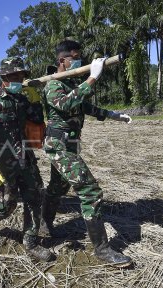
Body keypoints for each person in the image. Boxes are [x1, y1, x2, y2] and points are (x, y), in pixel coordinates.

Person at [42, 40, 132, 267]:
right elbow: (65, 104)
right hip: (58, 145)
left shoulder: (71, 82)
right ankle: (102, 250)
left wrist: (113, 115)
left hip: (70, 144)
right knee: (90, 191)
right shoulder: (53, 85)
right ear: (62, 61)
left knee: (58, 187)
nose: (79, 61)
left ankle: (43, 223)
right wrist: (92, 78)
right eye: (75, 57)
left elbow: (84, 106)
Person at [0, 57, 54, 262]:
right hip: (3, 164)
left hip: (25, 158)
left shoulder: (22, 98)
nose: (19, 79)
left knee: (35, 198)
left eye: (21, 76)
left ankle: (30, 242)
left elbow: (37, 119)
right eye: (14, 76)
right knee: (5, 208)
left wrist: (35, 98)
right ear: (4, 77)